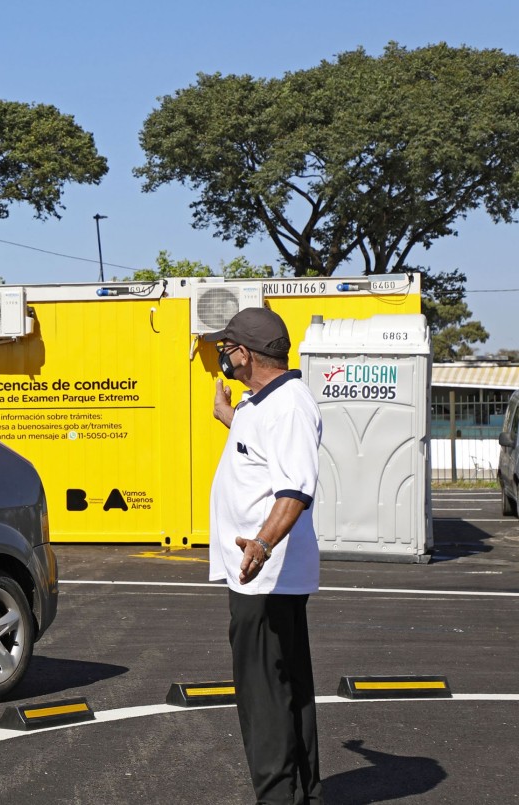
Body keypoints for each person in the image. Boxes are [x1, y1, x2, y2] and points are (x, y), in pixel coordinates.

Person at [206, 307, 323, 805]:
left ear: (245, 354)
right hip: (259, 573)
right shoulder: (263, 402)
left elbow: (295, 490)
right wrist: (227, 417)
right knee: (286, 686)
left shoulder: (289, 406)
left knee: (264, 694)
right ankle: (301, 795)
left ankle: (278, 796)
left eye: (226, 348)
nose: (222, 357)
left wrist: (263, 544)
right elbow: (261, 451)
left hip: (265, 574)